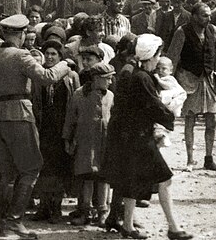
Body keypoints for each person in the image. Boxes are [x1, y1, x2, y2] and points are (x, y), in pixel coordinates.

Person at [0, 14, 72, 239]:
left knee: (7, 174)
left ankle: (5, 226)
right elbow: (47, 76)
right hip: (19, 115)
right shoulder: (22, 55)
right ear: (21, 34)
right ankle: (15, 221)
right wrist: (65, 64)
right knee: (31, 167)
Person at [103, 34, 193, 240]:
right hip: (139, 138)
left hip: (128, 136)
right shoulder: (142, 77)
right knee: (166, 179)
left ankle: (127, 225)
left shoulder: (133, 72)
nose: (158, 60)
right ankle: (173, 227)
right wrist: (170, 116)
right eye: (157, 55)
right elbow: (155, 106)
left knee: (132, 180)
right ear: (151, 55)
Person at [167, 2, 216, 172]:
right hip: (189, 80)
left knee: (211, 120)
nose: (208, 18)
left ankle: (209, 158)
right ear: (194, 16)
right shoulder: (182, 32)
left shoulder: (213, 31)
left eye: (209, 15)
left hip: (208, 80)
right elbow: (173, 57)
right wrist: (171, 84)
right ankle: (190, 160)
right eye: (204, 15)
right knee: (190, 120)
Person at [31, 40, 79, 224]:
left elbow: (75, 103)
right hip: (44, 128)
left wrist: (72, 131)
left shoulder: (71, 76)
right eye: (48, 54)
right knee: (44, 167)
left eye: (54, 54)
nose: (50, 57)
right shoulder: (40, 76)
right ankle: (44, 206)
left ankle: (57, 208)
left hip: (62, 128)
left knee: (60, 168)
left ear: (61, 58)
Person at [63, 62, 112, 227]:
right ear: (97, 79)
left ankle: (103, 212)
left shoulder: (110, 96)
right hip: (85, 143)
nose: (110, 82)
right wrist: (67, 139)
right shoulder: (79, 94)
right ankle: (86, 211)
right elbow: (70, 118)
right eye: (108, 79)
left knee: (103, 178)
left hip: (104, 143)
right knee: (87, 177)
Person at [153, 57, 187, 148]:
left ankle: (164, 137)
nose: (160, 71)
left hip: (171, 103)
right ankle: (161, 136)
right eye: (158, 68)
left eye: (164, 69)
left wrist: (159, 80)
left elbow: (168, 87)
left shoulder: (169, 78)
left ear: (170, 70)